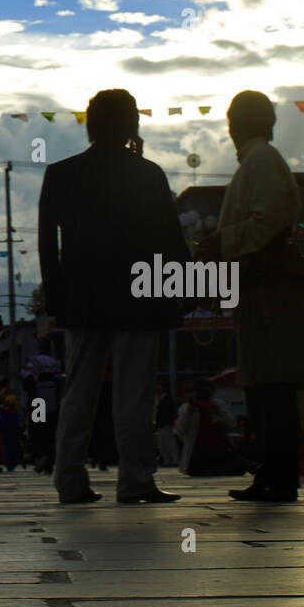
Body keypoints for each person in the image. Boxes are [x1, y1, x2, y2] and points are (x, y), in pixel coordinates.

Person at [39, 88, 189, 504]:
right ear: (130, 124)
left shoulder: (61, 173)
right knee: (135, 396)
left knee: (79, 392)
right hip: (140, 297)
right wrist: (182, 290)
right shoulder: (147, 173)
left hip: (82, 297)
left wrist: (56, 297)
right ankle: (135, 480)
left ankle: (69, 479)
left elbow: (47, 244)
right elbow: (170, 241)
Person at [198, 91, 304, 502]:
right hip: (262, 289)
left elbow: (268, 222)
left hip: (270, 291)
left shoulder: (261, 161)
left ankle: (279, 475)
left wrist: (221, 241)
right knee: (263, 384)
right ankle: (273, 472)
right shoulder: (259, 162)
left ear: (236, 124)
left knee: (271, 384)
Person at [173, 380, 242, 475]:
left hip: (219, 451)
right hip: (197, 453)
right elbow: (179, 431)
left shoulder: (218, 405)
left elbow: (232, 425)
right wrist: (188, 413)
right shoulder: (186, 408)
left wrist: (218, 411)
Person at [21, 340, 62, 473]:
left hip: (37, 402)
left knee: (37, 431)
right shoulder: (55, 363)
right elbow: (60, 382)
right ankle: (49, 459)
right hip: (53, 402)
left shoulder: (32, 362)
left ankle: (40, 457)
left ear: (38, 348)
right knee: (51, 431)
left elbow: (26, 381)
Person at [153, 381, 179, 468]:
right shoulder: (163, 398)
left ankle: (172, 459)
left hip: (165, 424)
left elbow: (166, 412)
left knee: (168, 442)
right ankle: (167, 459)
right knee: (164, 443)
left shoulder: (166, 399)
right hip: (163, 424)